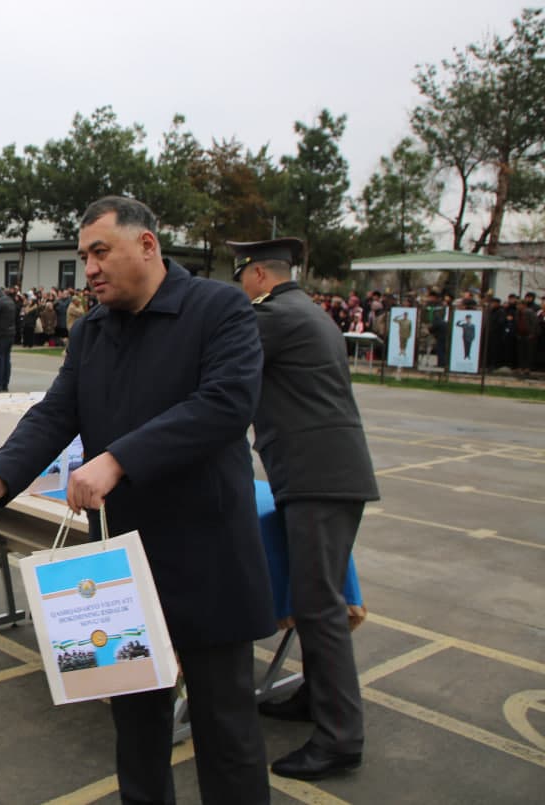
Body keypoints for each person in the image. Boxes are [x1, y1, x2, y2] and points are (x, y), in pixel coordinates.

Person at [0, 196, 274, 804]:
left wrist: (118, 459)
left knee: (226, 732)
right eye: (84, 257)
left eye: (100, 252)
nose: (90, 269)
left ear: (147, 246)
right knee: (137, 728)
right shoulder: (91, 332)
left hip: (208, 558)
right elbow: (57, 413)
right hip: (123, 568)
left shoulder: (218, 310)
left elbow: (224, 404)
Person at [229, 238, 379, 780]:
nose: (239, 286)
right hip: (328, 473)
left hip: (319, 478)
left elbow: (221, 359)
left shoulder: (274, 317)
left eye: (242, 276)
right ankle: (316, 698)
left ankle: (340, 739)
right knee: (317, 598)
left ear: (261, 276)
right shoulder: (306, 311)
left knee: (318, 606)